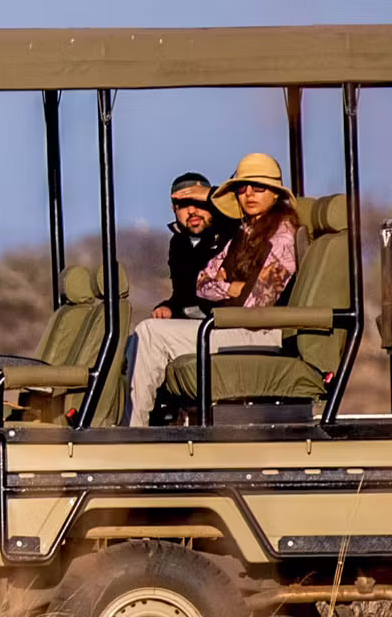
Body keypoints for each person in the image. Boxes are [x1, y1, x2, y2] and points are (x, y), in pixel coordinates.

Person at [122, 153, 299, 426]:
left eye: (258, 187)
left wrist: (225, 286)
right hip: (233, 324)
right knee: (142, 334)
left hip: (261, 330)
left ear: (275, 193)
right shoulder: (245, 232)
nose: (249, 194)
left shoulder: (282, 237)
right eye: (242, 187)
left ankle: (133, 434)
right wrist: (234, 287)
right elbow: (202, 284)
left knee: (150, 333)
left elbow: (257, 303)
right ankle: (136, 424)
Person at [151, 173, 235, 321]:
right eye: (183, 205)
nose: (192, 211)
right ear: (174, 209)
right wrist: (168, 308)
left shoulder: (230, 231)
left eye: (199, 202)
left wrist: (213, 194)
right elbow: (182, 296)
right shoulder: (178, 243)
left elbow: (238, 210)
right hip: (194, 322)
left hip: (225, 319)